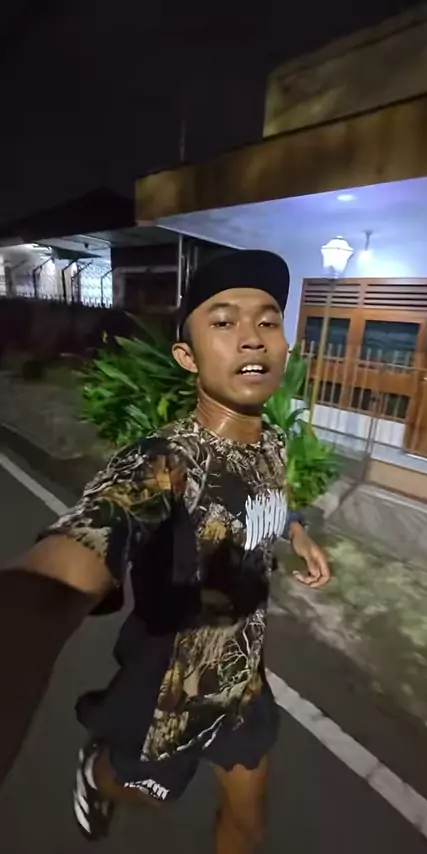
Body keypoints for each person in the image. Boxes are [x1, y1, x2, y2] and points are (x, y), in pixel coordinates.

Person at [0, 249, 330, 853]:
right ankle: (99, 770)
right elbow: (87, 540)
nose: (252, 337)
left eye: (268, 320)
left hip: (243, 678)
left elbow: (271, 499)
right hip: (167, 689)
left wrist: (298, 533)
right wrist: (30, 611)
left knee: (249, 825)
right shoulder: (163, 461)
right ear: (187, 356)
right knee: (144, 790)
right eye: (223, 322)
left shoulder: (273, 442)